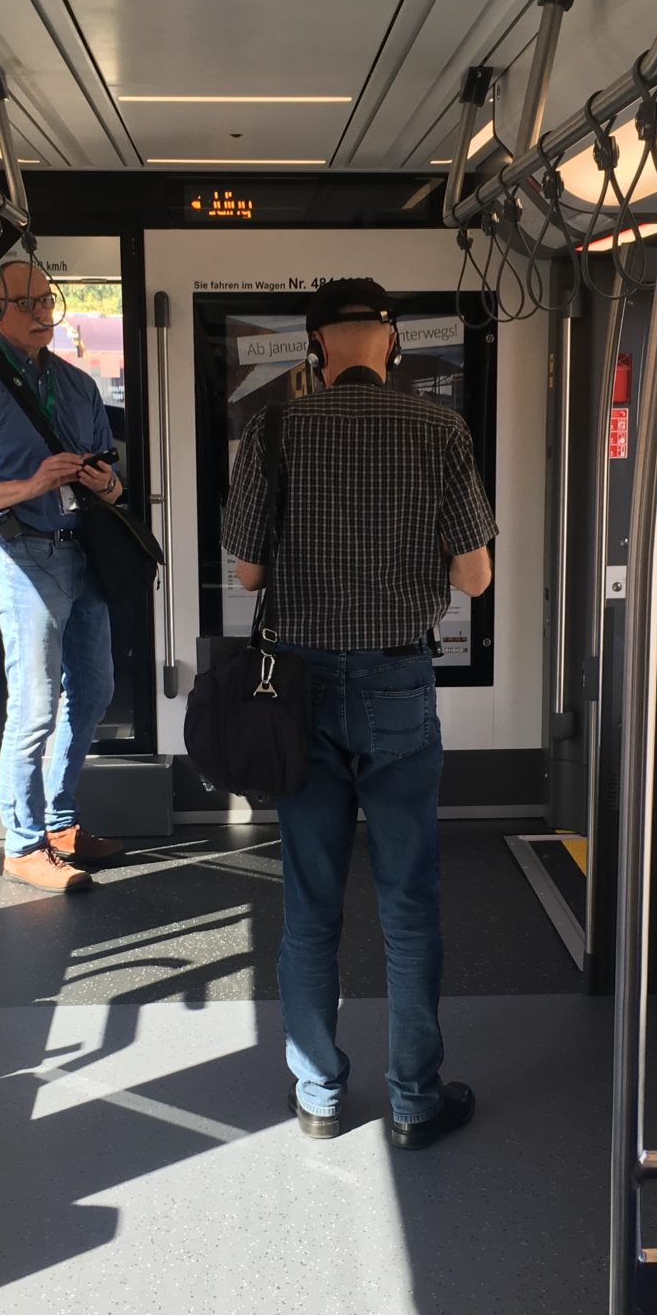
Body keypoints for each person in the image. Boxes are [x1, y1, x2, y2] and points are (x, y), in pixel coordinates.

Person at [223, 278, 497, 1150]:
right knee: (408, 902)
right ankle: (415, 1100)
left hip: (297, 693)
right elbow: (474, 577)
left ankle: (318, 1095)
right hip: (397, 687)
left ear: (314, 346)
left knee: (310, 906)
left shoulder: (272, 429)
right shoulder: (440, 429)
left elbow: (248, 576)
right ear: (389, 343)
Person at [0, 259, 128, 893]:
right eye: (29, 303)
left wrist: (107, 484)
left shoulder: (75, 384)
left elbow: (113, 480)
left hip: (81, 550)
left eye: (49, 300)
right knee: (37, 704)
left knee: (93, 692)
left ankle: (62, 827)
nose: (44, 314)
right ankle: (21, 845)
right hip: (20, 554)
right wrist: (32, 483)